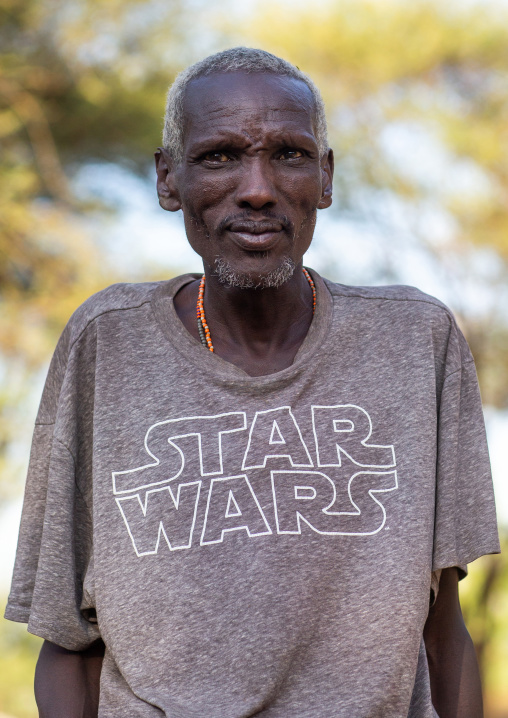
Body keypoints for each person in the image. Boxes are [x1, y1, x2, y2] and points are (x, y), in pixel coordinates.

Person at [5, 47, 500, 718]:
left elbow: (443, 633)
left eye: (290, 155)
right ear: (168, 179)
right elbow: (67, 639)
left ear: (324, 178)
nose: (259, 187)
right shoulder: (107, 343)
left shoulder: (416, 341)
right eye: (219, 156)